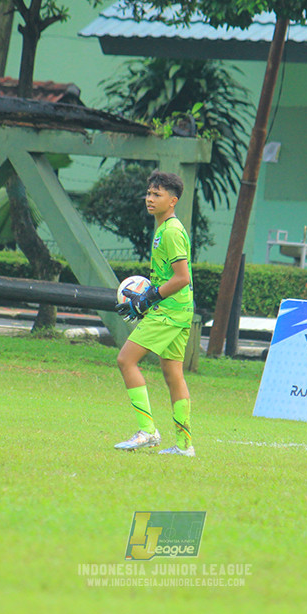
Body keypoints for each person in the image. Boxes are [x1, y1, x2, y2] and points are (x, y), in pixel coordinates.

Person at [114, 170, 196, 457]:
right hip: (177, 310)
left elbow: (182, 277)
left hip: (170, 311)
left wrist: (150, 297)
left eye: (157, 195)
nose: (150, 199)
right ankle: (185, 446)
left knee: (125, 360)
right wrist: (149, 298)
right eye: (149, 193)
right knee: (173, 374)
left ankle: (147, 431)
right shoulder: (163, 228)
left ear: (172, 201)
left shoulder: (171, 232)